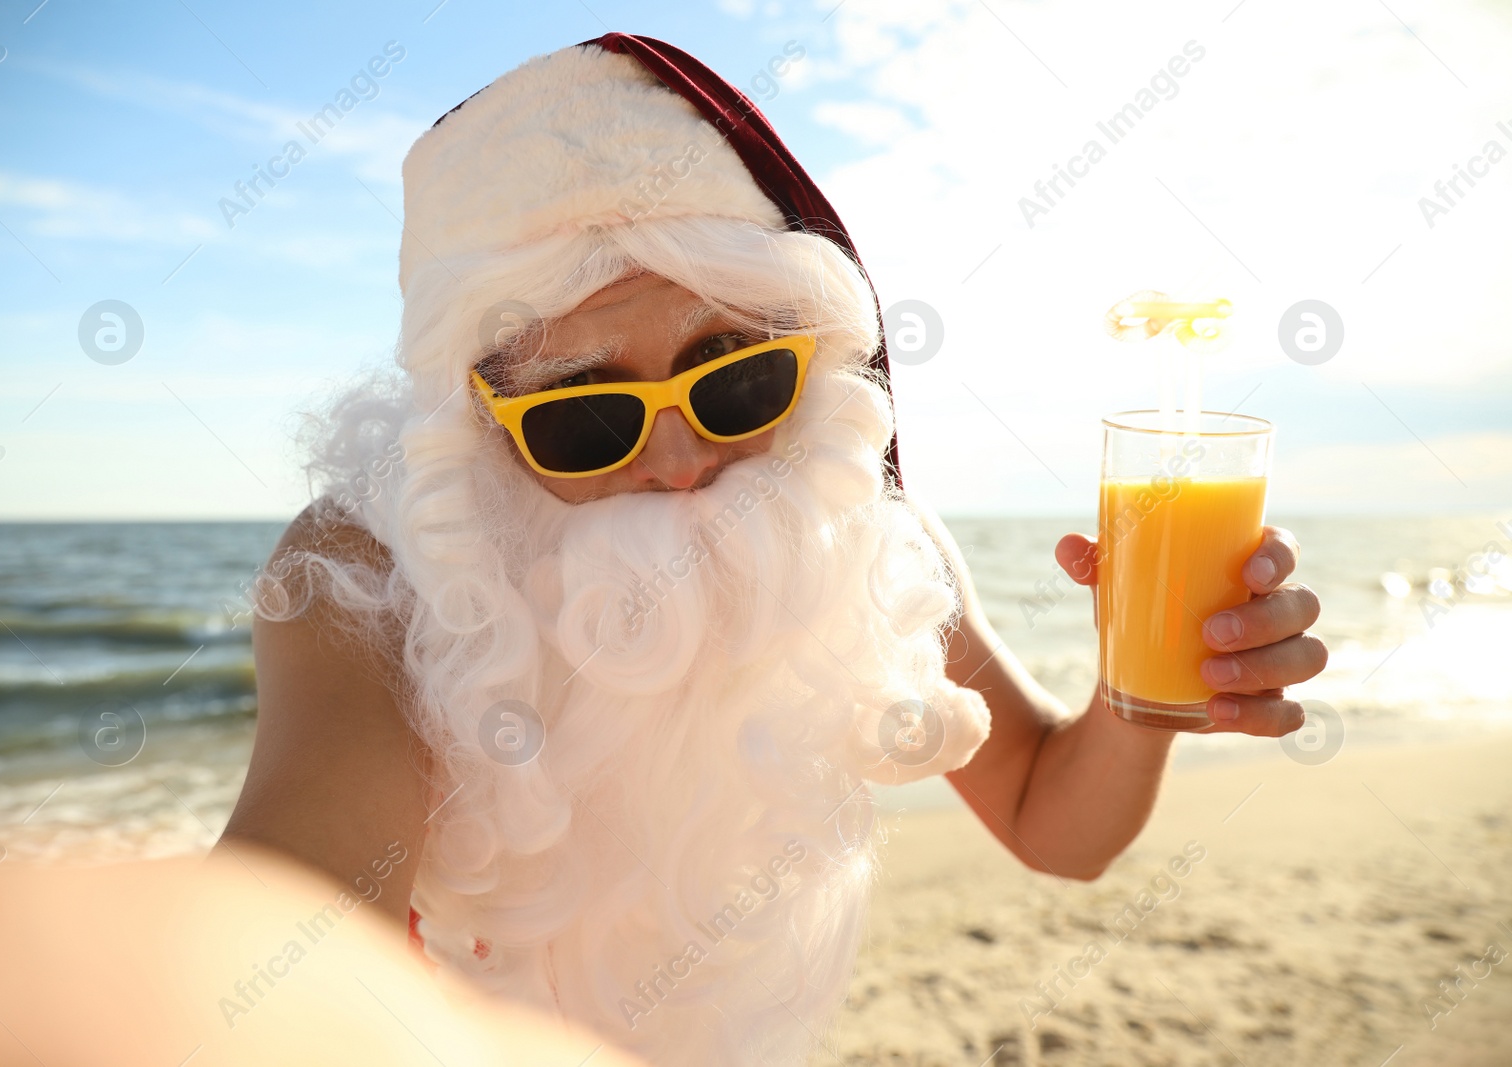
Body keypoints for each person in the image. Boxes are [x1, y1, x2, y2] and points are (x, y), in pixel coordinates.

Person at [219, 33, 1326, 1066]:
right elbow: (286, 948)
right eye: (583, 413)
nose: (680, 458)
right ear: (473, 425)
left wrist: (1147, 684)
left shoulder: (850, 529)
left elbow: (1055, 823)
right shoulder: (363, 575)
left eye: (734, 377)